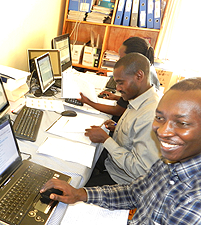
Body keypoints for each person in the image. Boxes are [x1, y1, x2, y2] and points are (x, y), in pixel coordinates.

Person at [41, 77, 201, 224]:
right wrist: (81, 194)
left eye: (182, 123)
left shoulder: (195, 205)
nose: (163, 132)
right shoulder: (169, 162)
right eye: (160, 118)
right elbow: (135, 192)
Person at [85, 52, 160, 186]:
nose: (118, 89)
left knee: (73, 186)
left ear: (139, 76)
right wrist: (118, 128)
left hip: (122, 180)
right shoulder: (139, 98)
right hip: (113, 164)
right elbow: (134, 134)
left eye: (121, 83)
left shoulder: (150, 115)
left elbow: (140, 170)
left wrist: (106, 140)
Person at [79, 36, 160, 119]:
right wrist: (116, 97)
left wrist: (88, 102)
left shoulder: (137, 82)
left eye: (121, 58)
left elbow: (117, 111)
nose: (118, 61)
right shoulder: (148, 69)